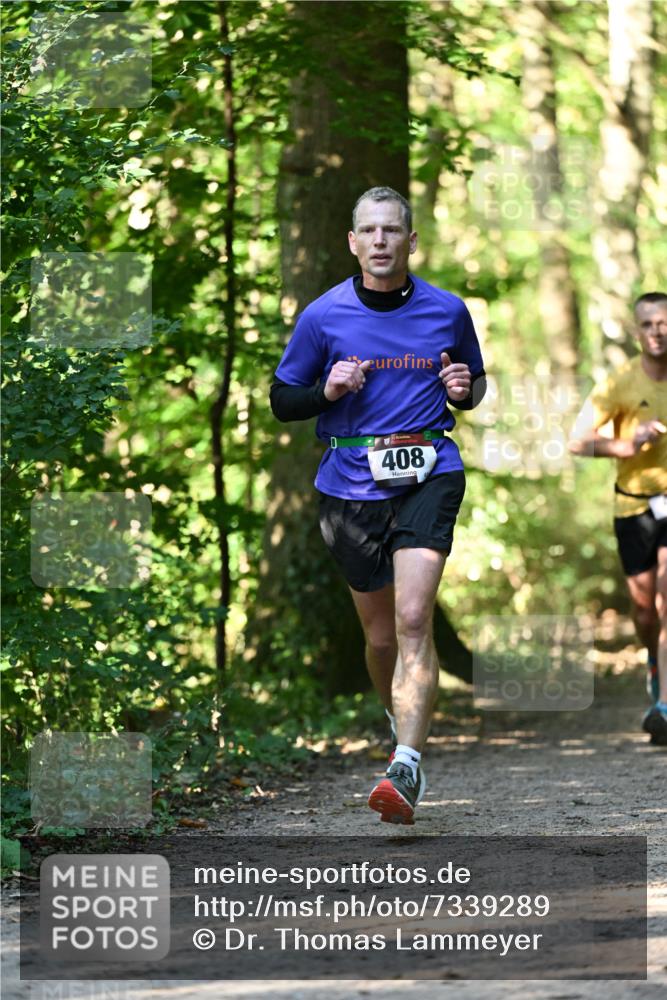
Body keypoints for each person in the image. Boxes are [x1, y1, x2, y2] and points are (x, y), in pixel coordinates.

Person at [270, 186, 486, 823]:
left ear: (411, 241)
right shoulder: (323, 316)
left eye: (394, 230)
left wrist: (464, 389)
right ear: (353, 242)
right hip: (349, 487)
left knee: (415, 616)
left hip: (429, 471)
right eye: (370, 231)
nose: (383, 241)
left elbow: (473, 380)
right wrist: (327, 389)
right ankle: (401, 711)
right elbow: (285, 399)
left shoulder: (447, 310)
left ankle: (406, 765)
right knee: (382, 635)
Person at [568, 292, 667, 745]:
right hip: (633, 505)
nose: (657, 332)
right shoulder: (620, 383)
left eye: (664, 323)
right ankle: (653, 661)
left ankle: (664, 704)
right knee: (646, 611)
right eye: (648, 324)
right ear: (636, 332)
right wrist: (624, 446)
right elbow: (577, 442)